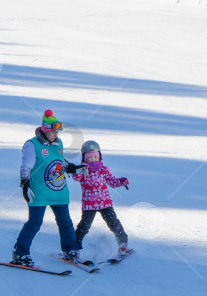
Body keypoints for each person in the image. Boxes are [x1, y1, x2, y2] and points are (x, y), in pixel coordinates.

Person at [11, 110, 85, 266]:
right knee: (34, 223)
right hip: (39, 192)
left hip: (59, 191)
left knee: (65, 222)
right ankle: (20, 253)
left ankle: (70, 249)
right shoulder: (32, 145)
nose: (55, 134)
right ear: (44, 129)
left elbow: (60, 162)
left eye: (57, 131)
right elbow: (26, 166)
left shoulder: (59, 143)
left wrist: (72, 168)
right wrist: (25, 184)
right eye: (52, 131)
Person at [71, 140, 131, 260]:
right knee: (84, 226)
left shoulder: (103, 169)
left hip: (105, 202)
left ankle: (123, 244)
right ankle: (74, 248)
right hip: (89, 204)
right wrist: (75, 169)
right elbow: (76, 177)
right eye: (89, 157)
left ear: (99, 156)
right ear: (84, 158)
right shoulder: (83, 170)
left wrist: (121, 181)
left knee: (113, 223)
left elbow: (112, 181)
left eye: (95, 157)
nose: (93, 159)